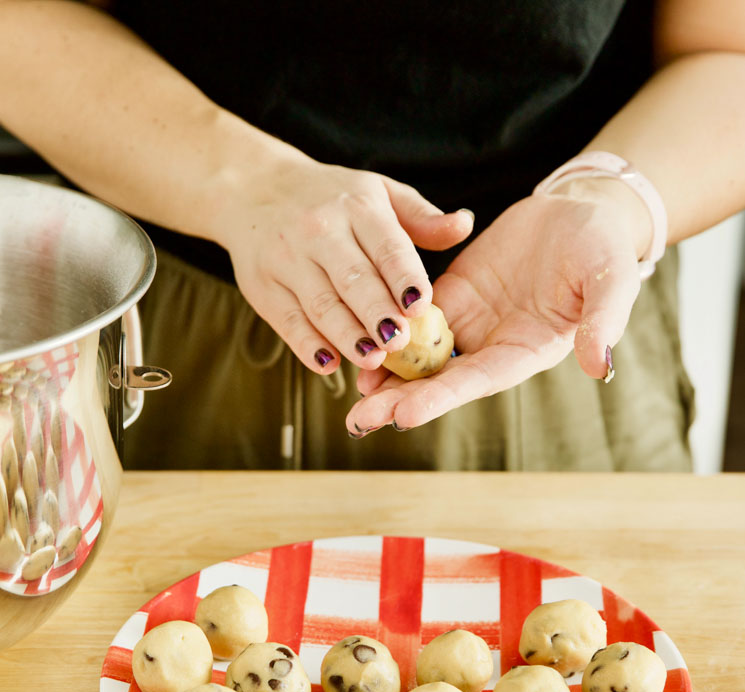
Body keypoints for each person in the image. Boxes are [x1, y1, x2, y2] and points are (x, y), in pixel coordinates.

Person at [0, 0, 743, 471]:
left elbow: (727, 49)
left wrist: (611, 197)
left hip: (552, 324)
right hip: (175, 332)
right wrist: (243, 184)